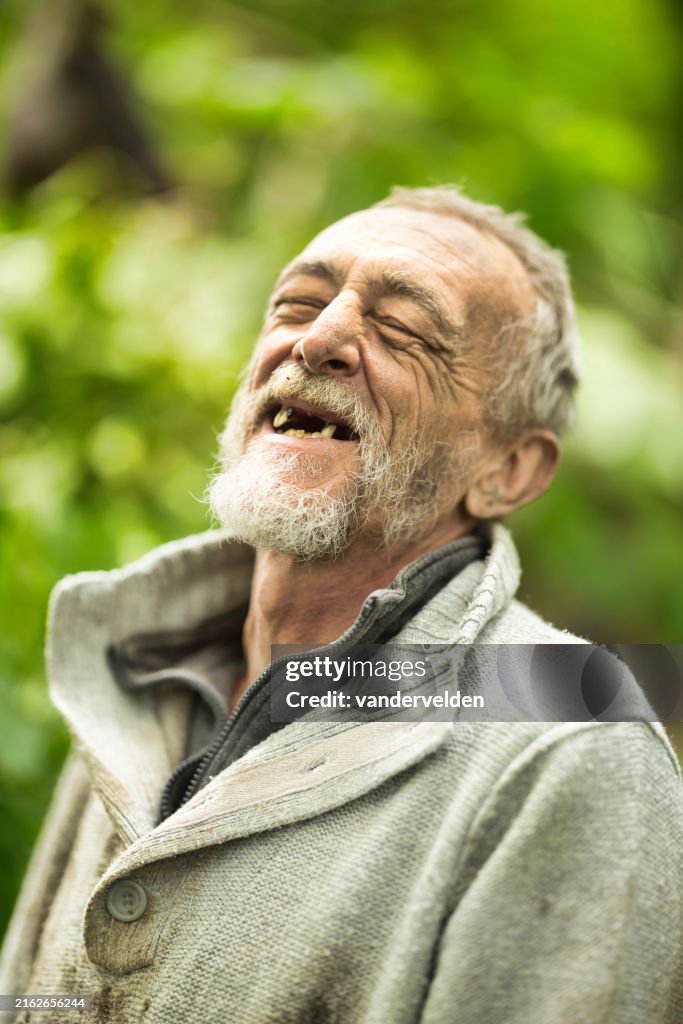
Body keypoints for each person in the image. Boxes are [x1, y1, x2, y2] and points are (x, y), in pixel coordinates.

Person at [1, 185, 682, 1024]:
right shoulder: (132, 665)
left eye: (403, 331)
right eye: (296, 303)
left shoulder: (572, 744)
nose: (318, 339)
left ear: (507, 471)